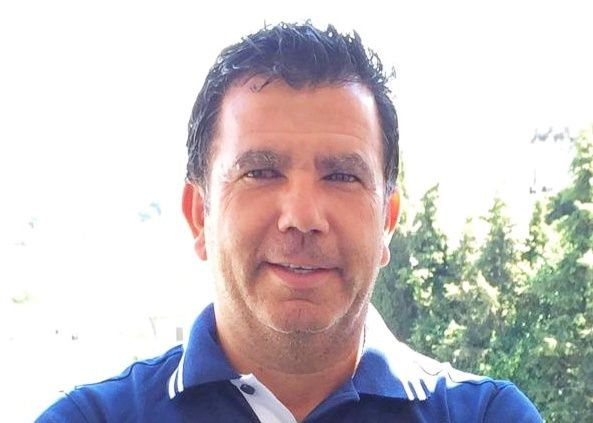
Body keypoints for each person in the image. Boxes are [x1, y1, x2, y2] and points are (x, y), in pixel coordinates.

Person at [37, 22, 542, 422]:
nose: (302, 217)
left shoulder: (487, 415)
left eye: (342, 176)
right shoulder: (90, 418)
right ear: (198, 215)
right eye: (260, 172)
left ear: (387, 221)